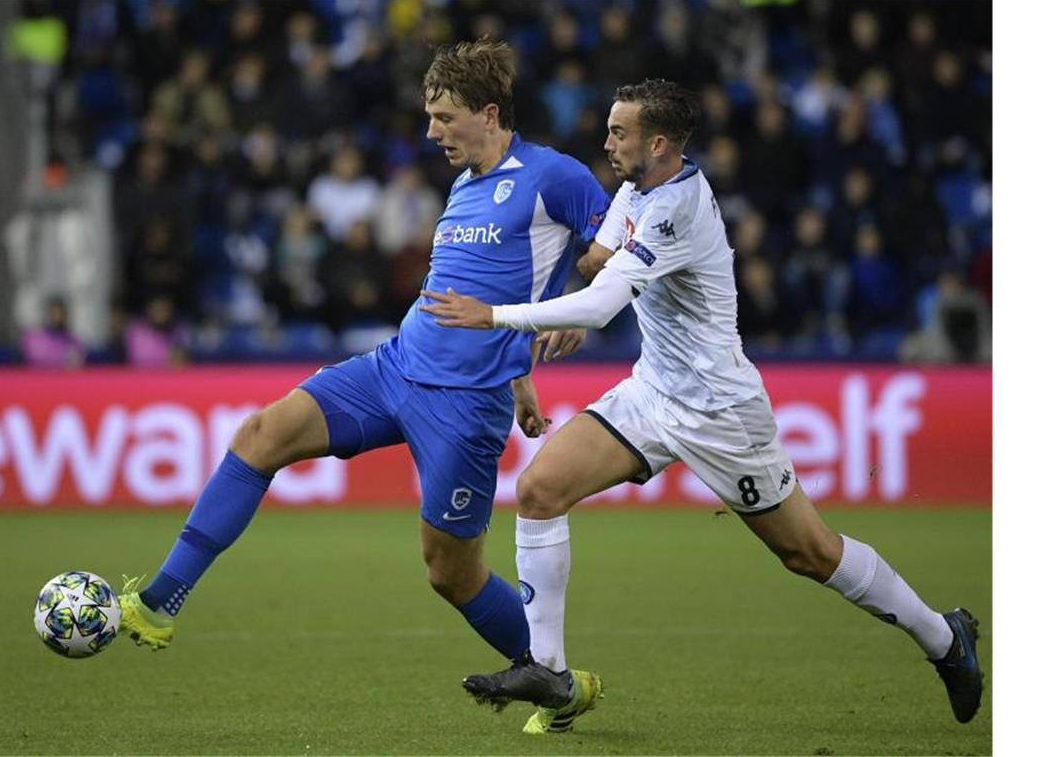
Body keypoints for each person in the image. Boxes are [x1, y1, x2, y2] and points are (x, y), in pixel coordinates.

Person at [420, 79, 983, 733]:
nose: (606, 142)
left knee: (808, 552)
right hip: (654, 389)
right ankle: (548, 669)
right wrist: (579, 286)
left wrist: (496, 315)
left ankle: (943, 637)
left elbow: (602, 303)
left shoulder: (678, 208)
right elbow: (599, 263)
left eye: (619, 133)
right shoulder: (637, 187)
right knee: (540, 489)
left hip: (720, 408)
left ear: (658, 143)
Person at [117, 40, 613, 714]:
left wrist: (582, 313)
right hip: (394, 367)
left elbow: (622, 246)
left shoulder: (553, 175)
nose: (431, 132)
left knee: (450, 573)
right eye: (429, 116)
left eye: (444, 117)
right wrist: (523, 370)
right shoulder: (466, 185)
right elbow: (490, 287)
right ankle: (158, 602)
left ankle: (554, 681)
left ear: (488, 113)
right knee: (261, 435)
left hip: (463, 410)